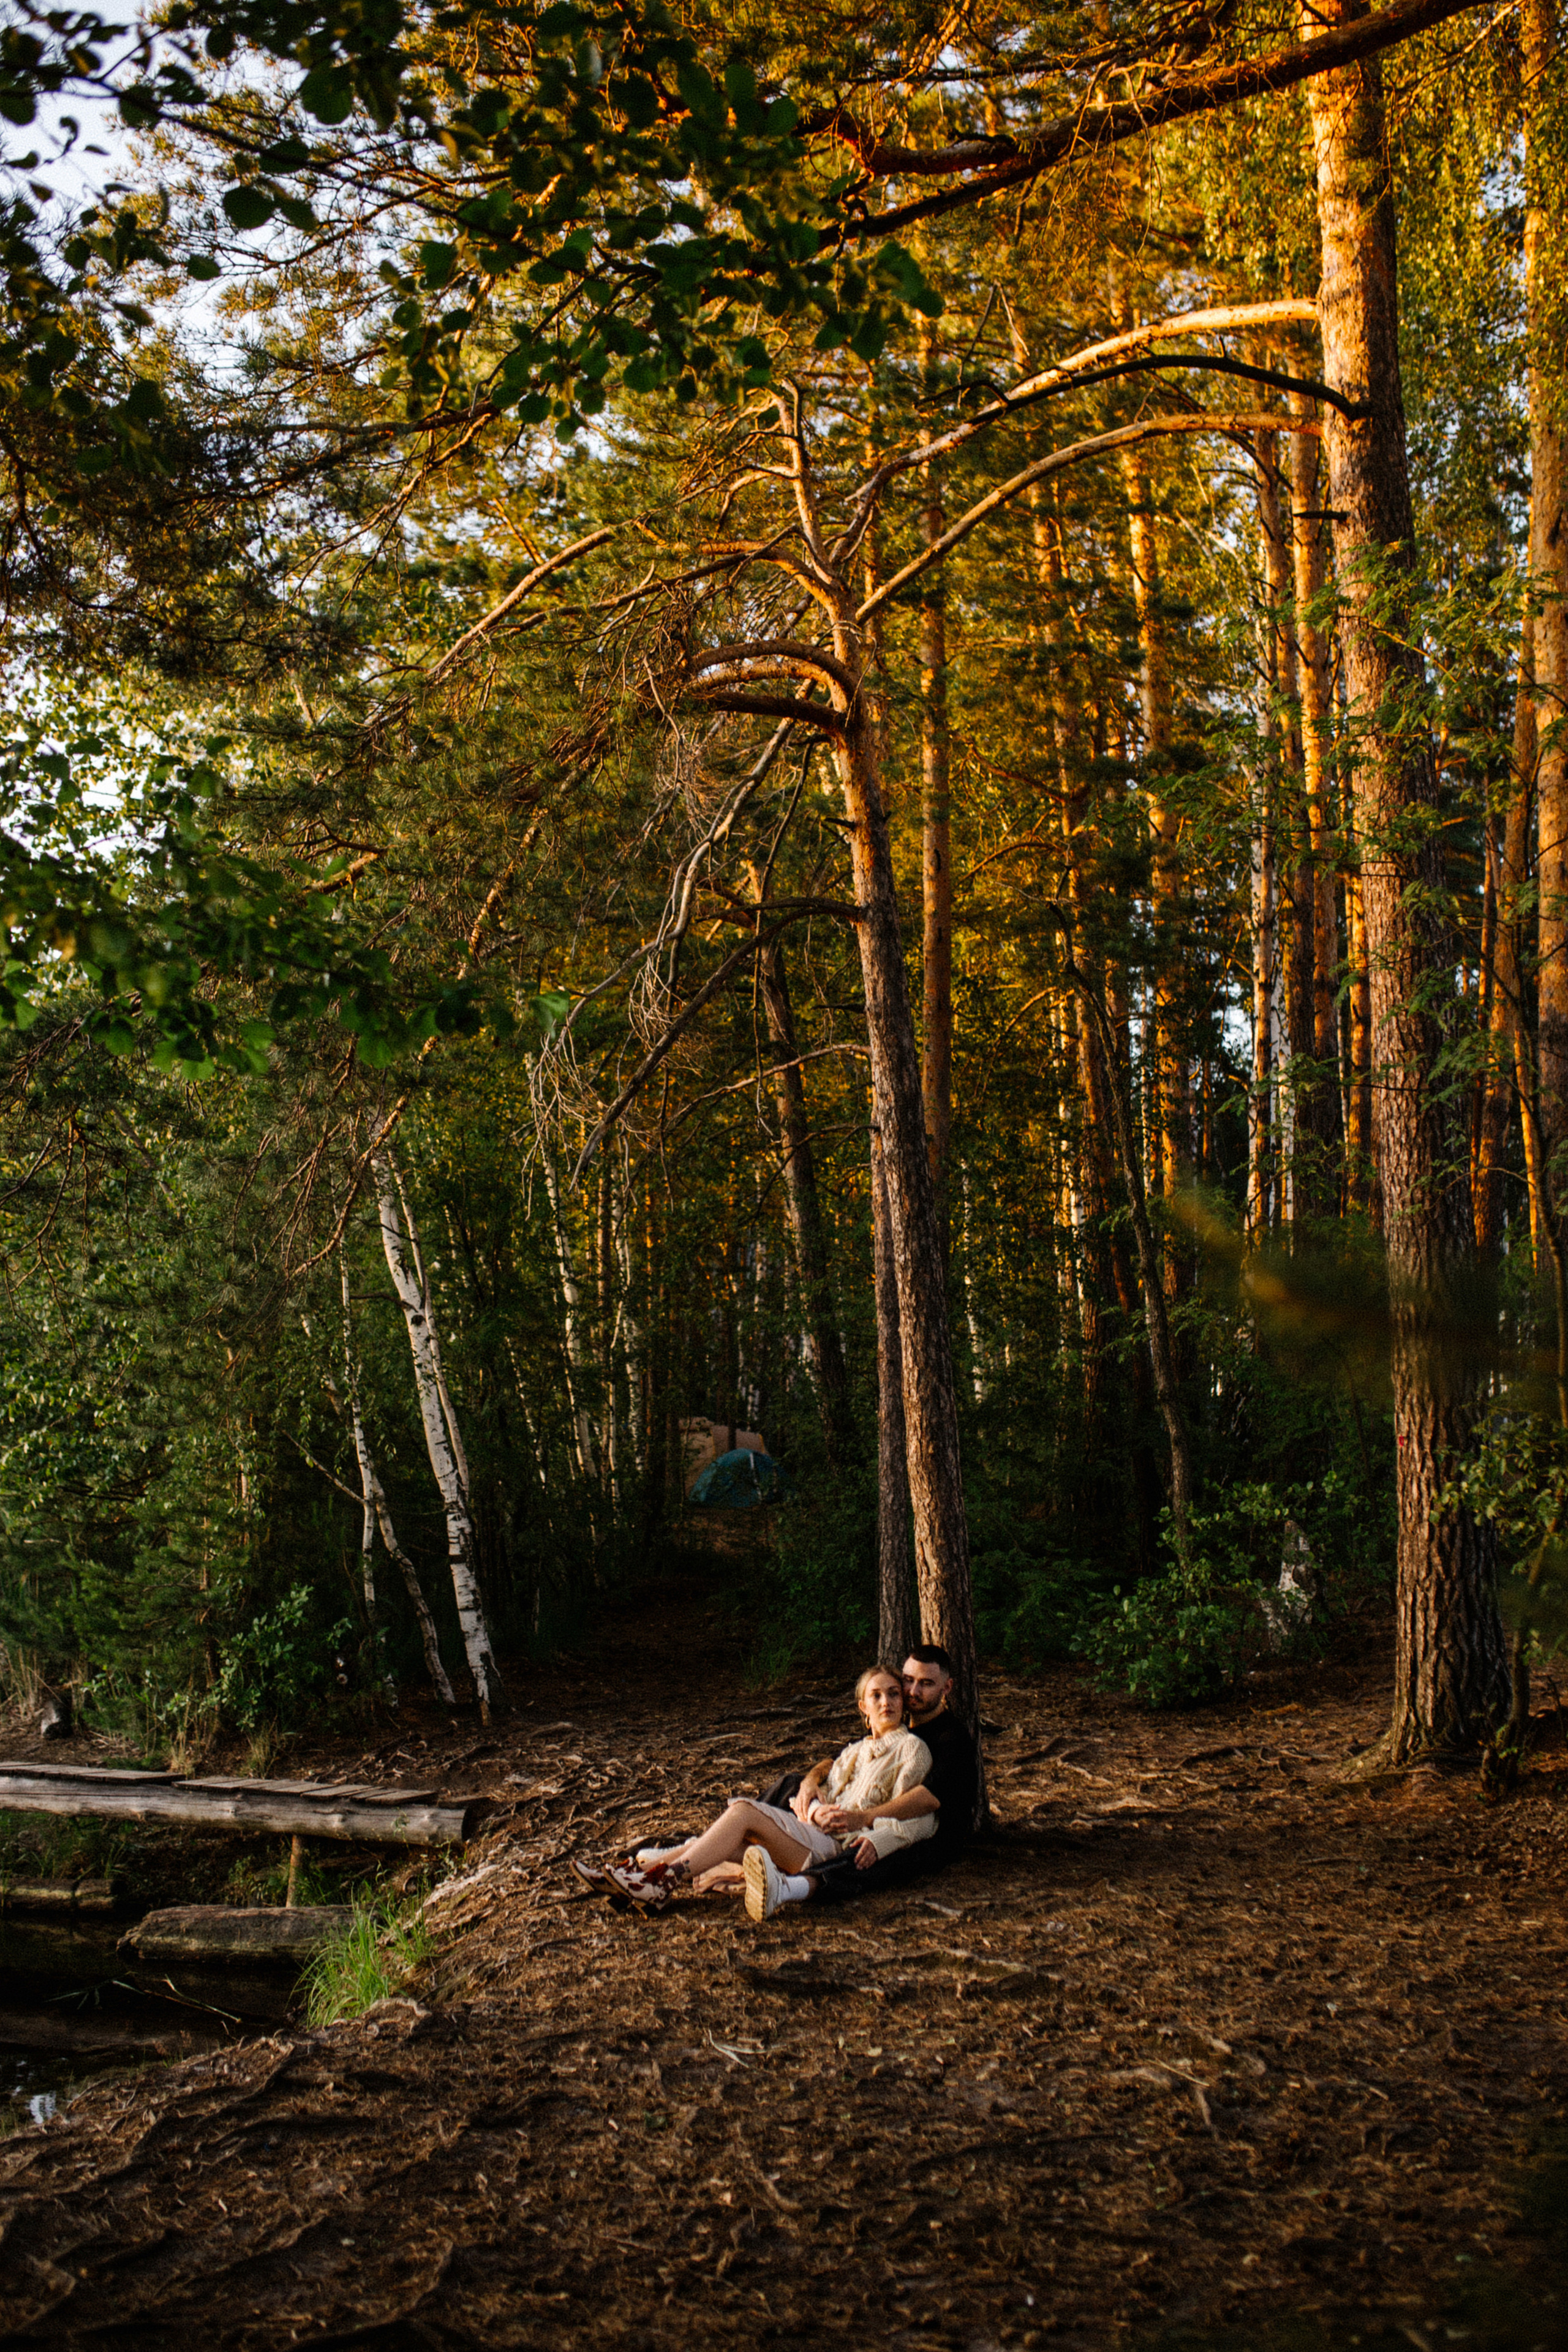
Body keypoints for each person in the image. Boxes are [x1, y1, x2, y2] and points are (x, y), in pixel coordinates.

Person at [571, 1665, 933, 1915]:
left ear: (903, 1702)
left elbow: (920, 1818)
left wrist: (876, 1837)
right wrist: (812, 1799)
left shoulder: (911, 1749)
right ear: (863, 1708)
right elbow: (820, 1790)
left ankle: (661, 1881)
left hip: (832, 1851)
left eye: (893, 1694)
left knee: (744, 1813)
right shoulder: (853, 1752)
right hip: (809, 1833)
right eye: (876, 1696)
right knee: (734, 1842)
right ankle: (634, 1877)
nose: (886, 1702)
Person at [745, 1643, 979, 1919]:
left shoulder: (951, 1738)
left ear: (947, 1688)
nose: (913, 1691)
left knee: (868, 1851)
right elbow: (839, 1760)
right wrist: (810, 1781)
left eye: (926, 1683)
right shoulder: (895, 1723)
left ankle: (789, 1888)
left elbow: (927, 1799)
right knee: (791, 1784)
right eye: (909, 1680)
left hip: (926, 1836)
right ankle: (732, 1846)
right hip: (873, 1816)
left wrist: (864, 1819)